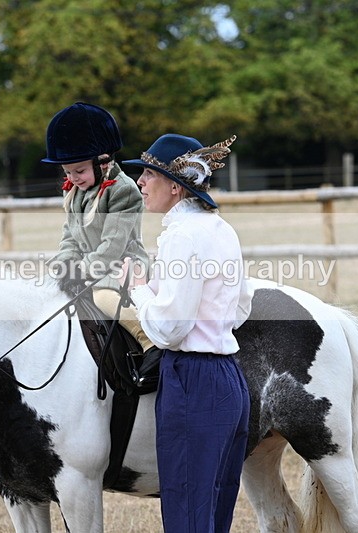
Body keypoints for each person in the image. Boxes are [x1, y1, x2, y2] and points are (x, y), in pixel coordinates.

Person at [121, 133, 252, 532]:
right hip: (230, 381)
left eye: (148, 175)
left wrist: (140, 289)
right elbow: (242, 307)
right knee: (213, 512)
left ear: (174, 186)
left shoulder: (182, 236)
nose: (140, 182)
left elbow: (170, 329)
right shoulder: (220, 228)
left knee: (188, 514)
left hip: (193, 381)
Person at [41, 102, 157, 358]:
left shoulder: (123, 190)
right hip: (88, 267)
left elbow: (112, 247)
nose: (73, 178)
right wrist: (64, 264)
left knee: (103, 298)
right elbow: (70, 237)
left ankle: (150, 341)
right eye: (67, 172)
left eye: (79, 170)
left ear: (102, 162)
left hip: (122, 266)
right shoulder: (76, 192)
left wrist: (80, 270)